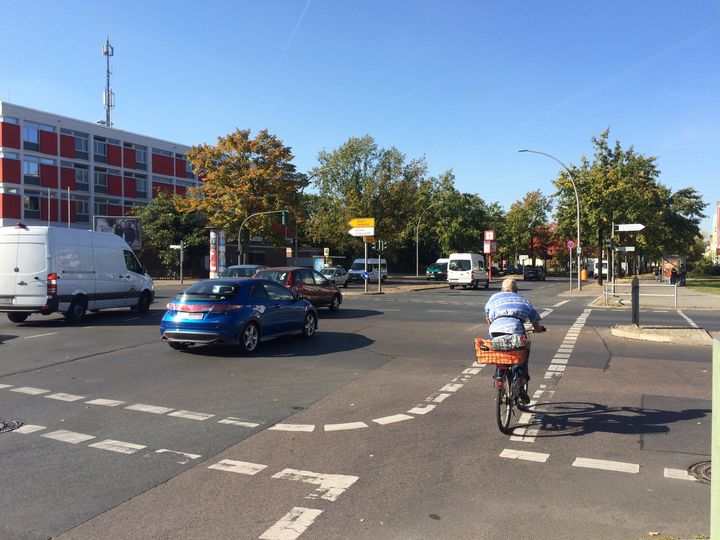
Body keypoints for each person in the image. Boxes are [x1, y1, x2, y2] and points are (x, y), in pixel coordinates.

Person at [484, 278, 546, 404]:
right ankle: (519, 381)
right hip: (515, 330)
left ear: (501, 290)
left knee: (500, 353)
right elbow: (534, 321)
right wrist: (539, 329)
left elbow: (488, 317)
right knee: (520, 355)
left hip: (495, 330)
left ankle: (499, 375)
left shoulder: (494, 298)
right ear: (516, 291)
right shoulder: (523, 300)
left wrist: (493, 325)